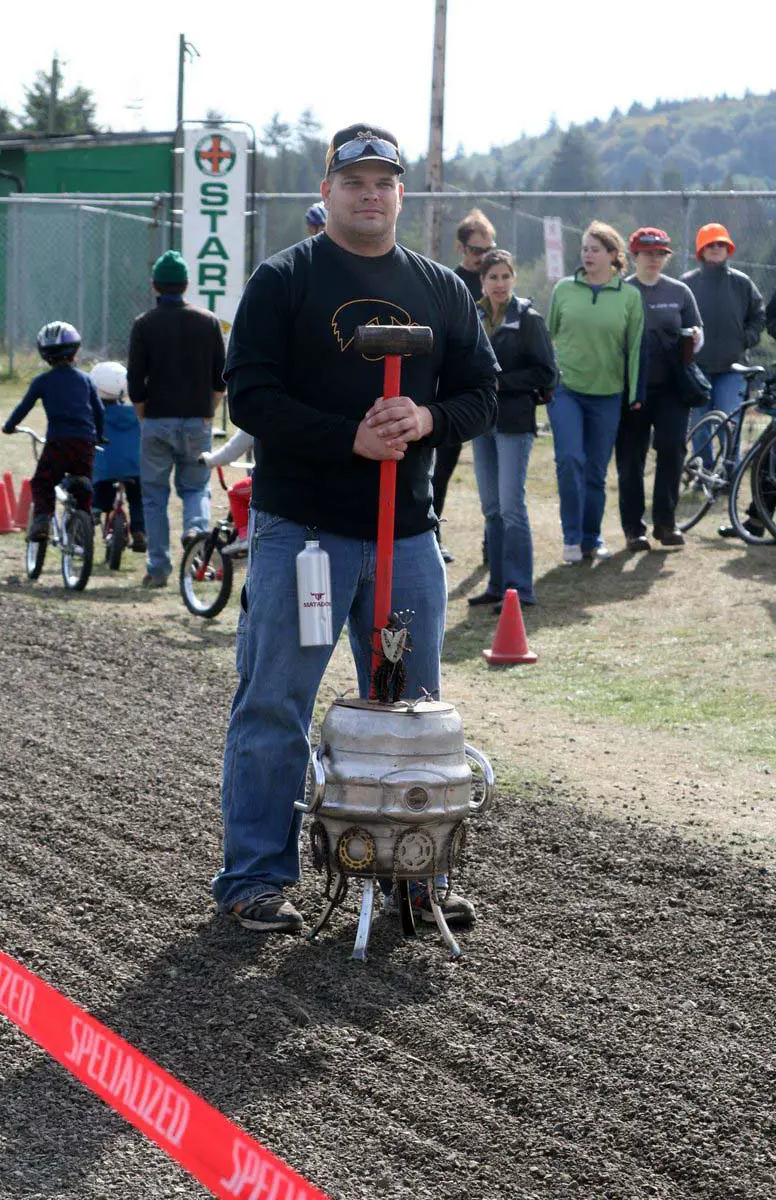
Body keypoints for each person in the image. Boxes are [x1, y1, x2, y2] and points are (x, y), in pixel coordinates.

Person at [213, 122, 498, 934]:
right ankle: (255, 879)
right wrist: (351, 435)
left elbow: (483, 389)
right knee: (275, 704)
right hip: (302, 534)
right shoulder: (284, 280)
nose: (370, 195)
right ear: (328, 189)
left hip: (406, 538)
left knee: (413, 711)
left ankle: (414, 874)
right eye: (355, 182)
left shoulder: (442, 289)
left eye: (384, 182)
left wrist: (425, 416)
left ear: (400, 192)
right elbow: (251, 398)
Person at [546, 220, 646, 563]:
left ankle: (592, 537)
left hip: (609, 394)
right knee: (570, 459)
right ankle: (571, 538)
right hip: (566, 390)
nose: (587, 254)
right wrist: (546, 379)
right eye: (585, 248)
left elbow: (634, 348)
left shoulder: (630, 297)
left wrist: (634, 393)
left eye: (595, 249)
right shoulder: (563, 290)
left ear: (613, 256)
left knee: (595, 472)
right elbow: (548, 337)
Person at [127, 250, 226, 588]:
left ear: (155, 285)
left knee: (154, 496)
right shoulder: (208, 321)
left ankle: (158, 569)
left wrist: (143, 416)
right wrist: (208, 409)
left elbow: (135, 379)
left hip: (156, 419)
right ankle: (196, 534)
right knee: (196, 485)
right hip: (198, 419)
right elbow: (220, 377)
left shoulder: (144, 324)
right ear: (186, 285)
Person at [467, 250, 557, 611]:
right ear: (483, 281)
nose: (500, 284)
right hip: (481, 423)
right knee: (490, 508)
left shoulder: (528, 319)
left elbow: (547, 372)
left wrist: (502, 382)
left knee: (511, 507)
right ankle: (497, 584)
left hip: (515, 423)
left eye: (506, 276)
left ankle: (520, 589)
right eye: (493, 277)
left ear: (513, 278)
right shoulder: (472, 315)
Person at [615, 228, 703, 551]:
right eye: (647, 253)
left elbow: (698, 332)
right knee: (630, 457)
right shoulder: (621, 291)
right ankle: (633, 529)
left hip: (672, 388)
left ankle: (665, 522)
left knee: (672, 448)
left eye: (660, 253)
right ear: (634, 255)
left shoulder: (680, 292)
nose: (654, 259)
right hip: (631, 388)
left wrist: (694, 337)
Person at [431, 208, 497, 563]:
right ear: (461, 249)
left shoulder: (498, 282)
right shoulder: (450, 283)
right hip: (454, 391)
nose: (482, 258)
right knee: (441, 470)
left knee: (497, 481)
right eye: (476, 251)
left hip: (487, 389)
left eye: (488, 250)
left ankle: (494, 543)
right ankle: (433, 533)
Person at [1, 322, 104, 537]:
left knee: (42, 482)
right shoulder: (86, 380)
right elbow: (99, 411)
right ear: (75, 348)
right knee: (84, 486)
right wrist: (100, 436)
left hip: (58, 442)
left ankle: (41, 521)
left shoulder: (42, 381)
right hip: (85, 444)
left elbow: (24, 407)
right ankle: (81, 533)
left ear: (44, 353)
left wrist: (10, 426)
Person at [681, 223, 765, 427]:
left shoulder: (742, 283)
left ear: (728, 249)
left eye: (721, 244)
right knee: (699, 428)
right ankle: (702, 461)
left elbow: (759, 316)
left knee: (728, 425)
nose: (716, 248)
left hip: (732, 368)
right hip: (697, 368)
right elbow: (676, 320)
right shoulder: (687, 283)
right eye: (710, 244)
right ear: (701, 250)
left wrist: (745, 339)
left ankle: (731, 461)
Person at [89, 361, 146, 553]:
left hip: (106, 467)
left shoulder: (95, 413)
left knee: (100, 488)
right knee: (137, 499)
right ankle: (140, 531)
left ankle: (96, 510)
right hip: (135, 466)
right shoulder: (134, 412)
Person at [199, 427, 255, 555]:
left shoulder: (257, 414)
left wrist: (209, 460)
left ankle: (245, 536)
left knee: (234, 492)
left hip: (272, 482)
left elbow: (230, 451)